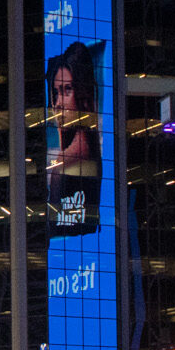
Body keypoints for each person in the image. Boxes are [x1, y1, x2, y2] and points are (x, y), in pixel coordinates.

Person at [46, 41, 102, 236]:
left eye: (67, 90)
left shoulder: (62, 165)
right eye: (56, 93)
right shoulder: (95, 153)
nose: (59, 103)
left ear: (82, 92)